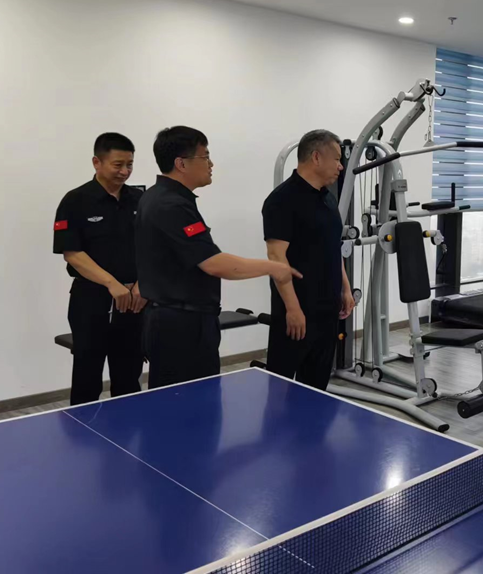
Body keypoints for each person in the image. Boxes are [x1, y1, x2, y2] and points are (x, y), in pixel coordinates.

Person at [136, 126, 300, 388]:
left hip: (177, 320)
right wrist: (273, 267)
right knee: (189, 403)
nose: (211, 164)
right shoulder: (171, 205)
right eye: (205, 157)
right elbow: (214, 263)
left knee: (186, 401)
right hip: (181, 327)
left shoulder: (158, 197)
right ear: (181, 163)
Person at [53, 132, 146, 405]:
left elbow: (154, 247)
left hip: (135, 300)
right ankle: (81, 429)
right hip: (91, 300)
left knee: (129, 373)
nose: (125, 171)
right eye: (118, 165)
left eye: (129, 164)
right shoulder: (75, 201)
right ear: (97, 162)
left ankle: (127, 426)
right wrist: (111, 283)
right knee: (87, 374)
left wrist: (143, 284)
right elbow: (72, 254)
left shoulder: (141, 199)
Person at [262, 129, 355, 390]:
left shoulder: (328, 198)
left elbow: (333, 247)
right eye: (336, 159)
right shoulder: (281, 200)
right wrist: (293, 310)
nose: (340, 166)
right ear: (316, 157)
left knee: (316, 387)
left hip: (327, 310)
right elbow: (276, 257)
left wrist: (345, 288)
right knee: (281, 388)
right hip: (297, 311)